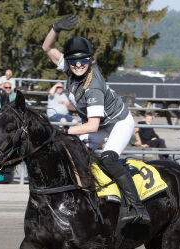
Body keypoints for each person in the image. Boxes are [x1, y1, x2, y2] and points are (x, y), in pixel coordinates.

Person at [42, 14, 149, 224]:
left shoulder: (93, 87)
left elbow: (92, 126)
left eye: (83, 60)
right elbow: (47, 47)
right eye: (73, 61)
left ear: (90, 60)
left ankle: (137, 207)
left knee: (108, 158)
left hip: (118, 123)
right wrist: (55, 28)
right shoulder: (72, 68)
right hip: (100, 124)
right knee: (72, 150)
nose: (78, 65)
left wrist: (61, 131)